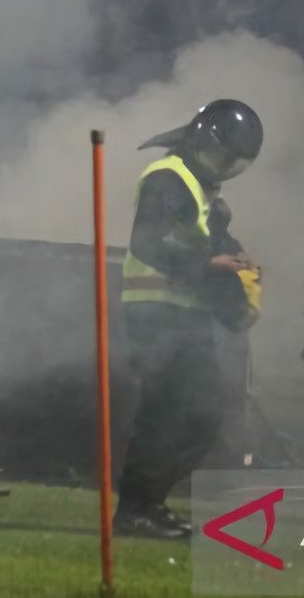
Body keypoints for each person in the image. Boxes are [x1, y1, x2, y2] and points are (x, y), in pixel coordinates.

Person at [114, 99, 265, 539]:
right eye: (223, 157)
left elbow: (201, 242)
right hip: (156, 313)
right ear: (204, 141)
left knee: (198, 417)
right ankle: (137, 508)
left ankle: (147, 504)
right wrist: (211, 265)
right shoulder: (169, 178)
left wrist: (231, 264)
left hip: (181, 314)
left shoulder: (198, 185)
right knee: (168, 415)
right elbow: (147, 243)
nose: (226, 167)